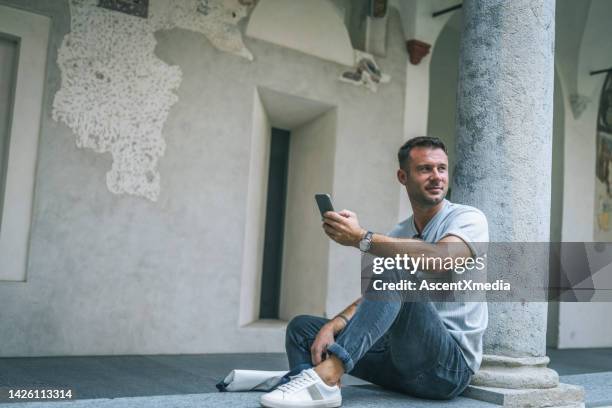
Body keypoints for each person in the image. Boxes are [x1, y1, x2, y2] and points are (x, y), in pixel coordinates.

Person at [261, 136, 489, 408]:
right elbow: (378, 295)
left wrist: (361, 238)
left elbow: (440, 258)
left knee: (395, 269)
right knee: (304, 329)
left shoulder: (468, 218)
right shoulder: (399, 233)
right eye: (425, 169)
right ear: (403, 176)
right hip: (398, 364)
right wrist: (335, 323)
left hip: (445, 370)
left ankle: (327, 374)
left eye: (441, 168)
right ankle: (308, 385)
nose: (437, 177)